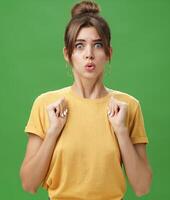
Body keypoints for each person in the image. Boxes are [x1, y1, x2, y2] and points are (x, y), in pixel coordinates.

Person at [19, 1, 152, 199]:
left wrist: (121, 131)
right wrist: (53, 132)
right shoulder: (46, 105)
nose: (89, 54)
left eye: (97, 45)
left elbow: (142, 187)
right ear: (67, 54)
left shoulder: (128, 107)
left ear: (108, 53)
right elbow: (29, 183)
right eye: (80, 46)